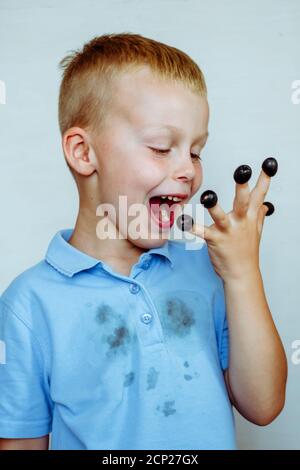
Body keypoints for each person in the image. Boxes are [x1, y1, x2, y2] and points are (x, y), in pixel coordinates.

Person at [0, 33, 287, 450]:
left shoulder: (209, 270)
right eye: (161, 147)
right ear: (83, 153)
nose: (187, 170)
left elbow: (264, 406)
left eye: (196, 151)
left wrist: (244, 274)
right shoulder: (29, 306)